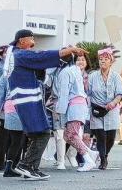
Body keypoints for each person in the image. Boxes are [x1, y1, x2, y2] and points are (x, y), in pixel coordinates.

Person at [8, 28, 87, 180]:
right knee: (42, 132)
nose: (34, 42)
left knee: (37, 133)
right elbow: (42, 57)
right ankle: (26, 165)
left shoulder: (17, 55)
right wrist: (69, 50)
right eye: (31, 39)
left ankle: (29, 167)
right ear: (21, 41)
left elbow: (41, 65)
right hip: (27, 100)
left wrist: (64, 55)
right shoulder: (20, 54)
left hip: (27, 100)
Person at [54, 55, 96, 172]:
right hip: (79, 105)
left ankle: (88, 159)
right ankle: (90, 153)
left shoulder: (65, 72)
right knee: (68, 135)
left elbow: (64, 94)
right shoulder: (75, 70)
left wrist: (59, 111)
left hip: (74, 106)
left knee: (71, 135)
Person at [89, 47, 122, 170]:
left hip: (111, 109)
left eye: (105, 59)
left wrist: (113, 103)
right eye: (100, 59)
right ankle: (103, 160)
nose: (102, 61)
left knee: (110, 137)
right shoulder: (92, 76)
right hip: (97, 110)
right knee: (100, 136)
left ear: (111, 61)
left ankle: (105, 154)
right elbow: (88, 93)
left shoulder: (116, 77)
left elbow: (120, 93)